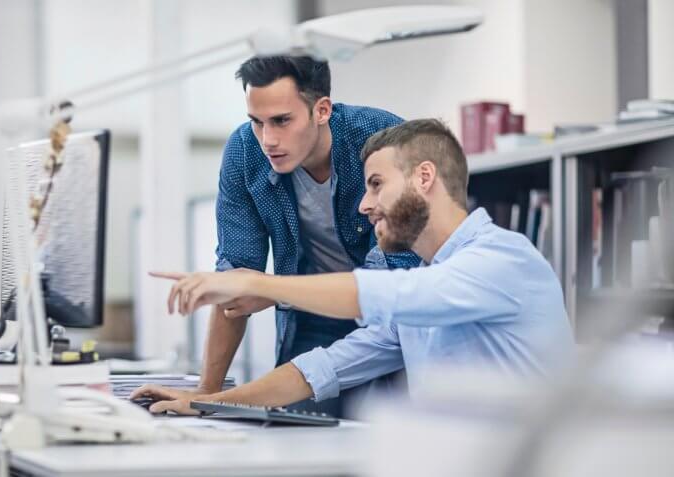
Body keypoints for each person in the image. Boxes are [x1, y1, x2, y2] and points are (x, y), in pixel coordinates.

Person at [134, 119, 576, 414]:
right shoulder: (429, 286)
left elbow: (381, 294)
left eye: (376, 185)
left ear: (424, 178)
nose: (365, 204)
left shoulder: (502, 260)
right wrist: (208, 402)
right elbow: (323, 369)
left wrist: (258, 283)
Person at [200, 55, 420, 416]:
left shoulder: (382, 140)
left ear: (321, 110)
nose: (268, 139)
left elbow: (392, 285)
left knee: (387, 428)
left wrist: (272, 292)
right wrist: (204, 397)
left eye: (282, 121)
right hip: (310, 313)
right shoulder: (244, 151)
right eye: (257, 122)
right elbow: (236, 280)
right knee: (296, 425)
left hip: (391, 315)